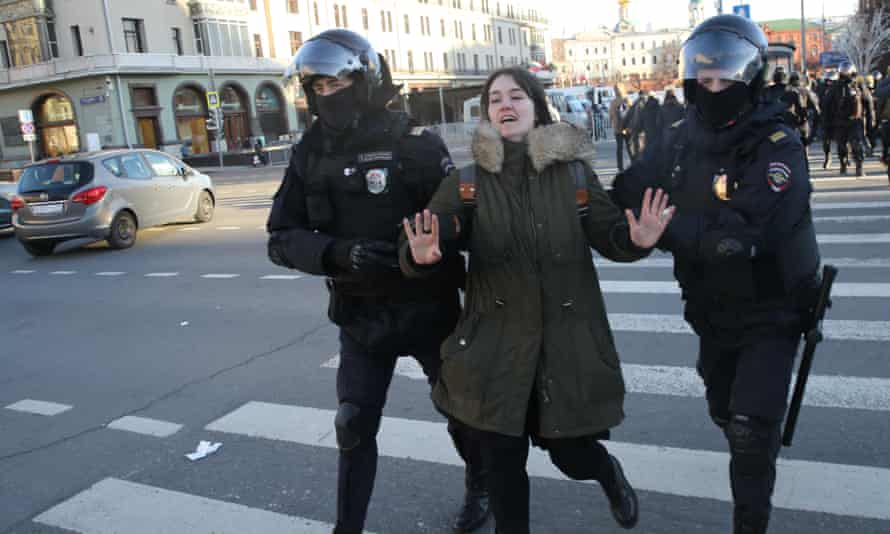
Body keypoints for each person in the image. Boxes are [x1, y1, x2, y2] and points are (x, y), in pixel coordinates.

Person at [400, 66, 675, 534]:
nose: (505, 105)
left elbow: (610, 235)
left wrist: (637, 239)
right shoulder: (468, 181)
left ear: (536, 106)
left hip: (562, 344)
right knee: (503, 466)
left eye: (516, 97)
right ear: (488, 114)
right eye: (495, 99)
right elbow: (433, 231)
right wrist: (423, 254)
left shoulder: (573, 175)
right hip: (495, 345)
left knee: (571, 453)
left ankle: (606, 472)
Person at [266, 29, 489, 534]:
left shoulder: (416, 145)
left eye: (336, 83)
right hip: (360, 314)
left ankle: (481, 485)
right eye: (317, 88)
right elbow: (280, 238)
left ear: (365, 80)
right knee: (352, 423)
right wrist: (339, 253)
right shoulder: (310, 154)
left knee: (461, 415)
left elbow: (466, 226)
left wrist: (430, 250)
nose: (328, 96)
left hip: (428, 309)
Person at [611, 15, 821, 534]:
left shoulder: (776, 143)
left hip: (773, 306)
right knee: (725, 411)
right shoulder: (679, 138)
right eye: (704, 80)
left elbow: (745, 235)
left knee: (749, 431)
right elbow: (630, 188)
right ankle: (754, 433)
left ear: (748, 77)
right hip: (710, 309)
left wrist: (667, 229)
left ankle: (751, 518)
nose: (714, 90)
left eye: (725, 79)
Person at [829, 61, 866, 176]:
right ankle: (858, 167)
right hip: (855, 120)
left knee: (842, 144)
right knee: (856, 143)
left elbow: (827, 104)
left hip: (841, 121)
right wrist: (871, 121)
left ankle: (843, 166)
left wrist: (828, 122)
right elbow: (868, 102)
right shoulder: (858, 85)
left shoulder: (835, 86)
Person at [788, 72, 821, 157]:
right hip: (802, 122)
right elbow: (815, 108)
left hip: (791, 123)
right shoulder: (805, 91)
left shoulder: (786, 91)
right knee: (804, 144)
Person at [609, 86, 631, 171]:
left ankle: (620, 166)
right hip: (627, 128)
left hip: (618, 128)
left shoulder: (613, 102)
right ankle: (633, 162)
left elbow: (610, 115)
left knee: (619, 148)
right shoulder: (628, 100)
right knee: (629, 147)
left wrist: (613, 123)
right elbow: (632, 112)